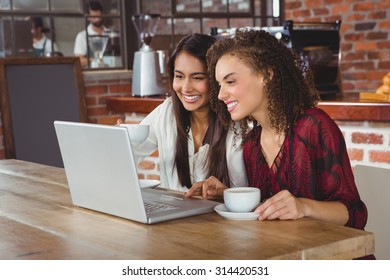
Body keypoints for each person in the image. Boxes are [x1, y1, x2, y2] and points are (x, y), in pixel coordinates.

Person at [186, 29, 368, 231]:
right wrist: (229, 195)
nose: (220, 95)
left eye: (230, 82)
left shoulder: (313, 126)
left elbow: (355, 215)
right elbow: (270, 212)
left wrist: (303, 206)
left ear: (266, 75)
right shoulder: (252, 144)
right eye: (219, 85)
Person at [119, 33, 247, 193]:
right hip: (173, 217)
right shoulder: (167, 112)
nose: (186, 88)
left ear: (216, 79)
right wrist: (118, 142)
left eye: (198, 78)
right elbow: (127, 154)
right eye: (179, 76)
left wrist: (225, 195)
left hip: (224, 217)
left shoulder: (238, 122)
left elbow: (254, 193)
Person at [74, 1, 110, 67]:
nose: (97, 20)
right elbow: (79, 60)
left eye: (99, 16)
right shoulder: (82, 36)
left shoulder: (111, 34)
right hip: (91, 73)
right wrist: (95, 61)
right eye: (94, 17)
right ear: (88, 18)